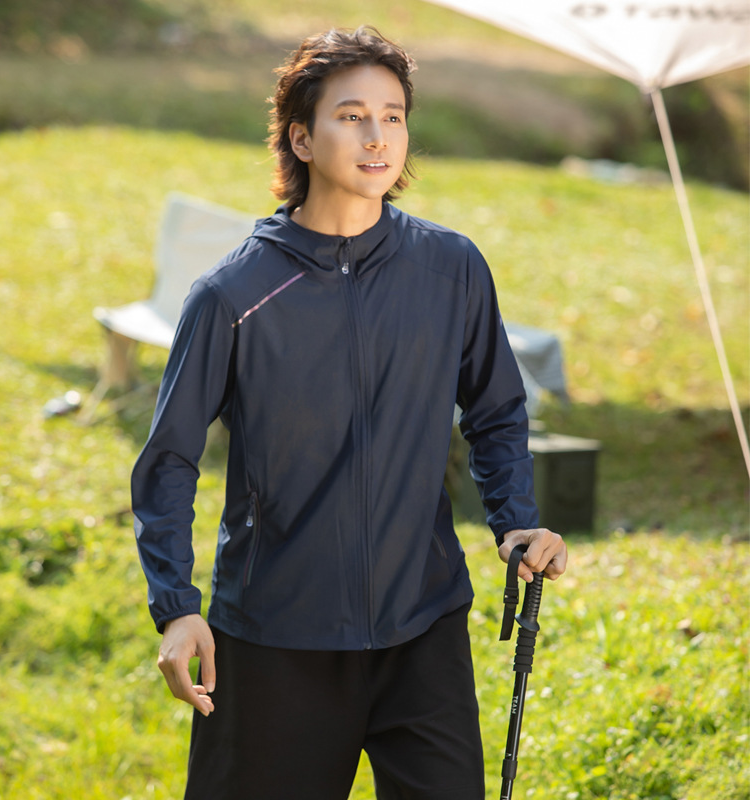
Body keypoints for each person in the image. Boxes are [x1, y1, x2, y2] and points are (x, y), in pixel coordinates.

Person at [131, 26, 567, 800]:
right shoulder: (233, 296)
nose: (378, 138)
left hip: (423, 627)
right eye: (352, 116)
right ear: (300, 138)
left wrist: (515, 522)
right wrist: (175, 608)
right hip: (275, 638)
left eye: (393, 116)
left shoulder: (452, 268)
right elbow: (168, 460)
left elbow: (496, 410)